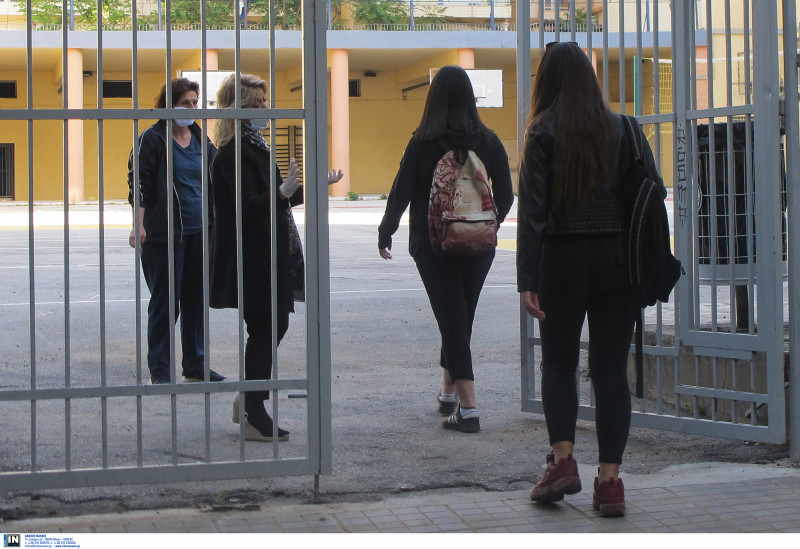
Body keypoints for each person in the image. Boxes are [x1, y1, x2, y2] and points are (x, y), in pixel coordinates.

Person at [516, 42, 659, 516]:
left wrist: (527, 278)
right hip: (618, 261)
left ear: (547, 81)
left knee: (558, 363)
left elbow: (533, 213)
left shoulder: (542, 131)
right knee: (610, 370)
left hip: (561, 260)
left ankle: (562, 463)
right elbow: (650, 191)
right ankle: (611, 483)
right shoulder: (623, 128)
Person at [378, 65, 514, 433]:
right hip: (479, 248)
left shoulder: (422, 142)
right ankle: (448, 392)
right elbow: (506, 195)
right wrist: (484, 225)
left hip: (432, 246)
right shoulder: (489, 141)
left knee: (452, 318)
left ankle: (469, 410)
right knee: (459, 316)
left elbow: (402, 191)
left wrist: (386, 230)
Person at [210, 73, 343, 442]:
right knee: (265, 329)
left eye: (265, 101)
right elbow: (244, 206)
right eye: (256, 104)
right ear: (237, 109)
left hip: (269, 252)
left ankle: (249, 398)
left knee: (272, 327)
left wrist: (309, 187)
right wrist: (282, 191)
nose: (265, 109)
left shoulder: (256, 146)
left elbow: (277, 199)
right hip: (252, 257)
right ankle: (253, 408)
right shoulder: (232, 154)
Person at [127, 77, 225, 385]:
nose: (192, 108)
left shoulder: (199, 138)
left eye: (195, 102)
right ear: (168, 105)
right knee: (166, 303)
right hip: (164, 235)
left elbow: (219, 173)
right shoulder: (152, 139)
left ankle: (195, 364)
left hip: (200, 231)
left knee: (196, 300)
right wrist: (138, 225)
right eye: (186, 103)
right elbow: (139, 185)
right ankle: (160, 370)